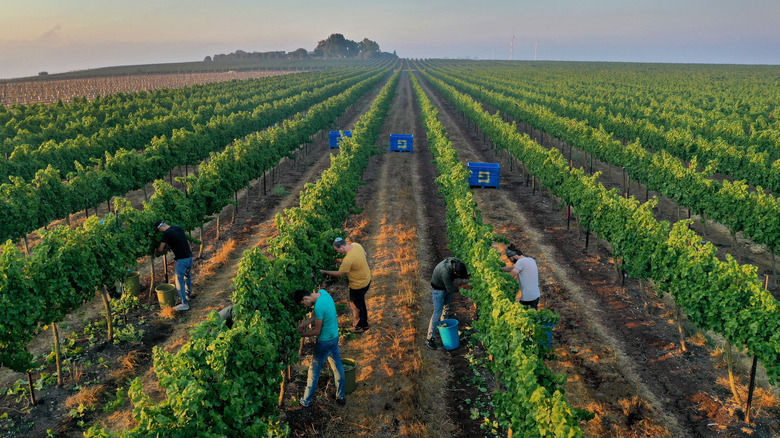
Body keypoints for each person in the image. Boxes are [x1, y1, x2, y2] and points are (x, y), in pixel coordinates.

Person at [294, 289, 346, 407]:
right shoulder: (323, 293)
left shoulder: (318, 306)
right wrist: (303, 324)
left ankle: (306, 401)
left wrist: (301, 334)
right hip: (334, 337)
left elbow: (317, 331)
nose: (305, 306)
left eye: (303, 304)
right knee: (338, 367)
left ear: (305, 299)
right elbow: (317, 317)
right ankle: (341, 396)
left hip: (324, 342)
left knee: (314, 372)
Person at [320, 237, 371, 332]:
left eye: (337, 250)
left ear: (342, 248)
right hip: (367, 279)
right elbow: (365, 254)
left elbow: (339, 274)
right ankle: (365, 324)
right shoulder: (356, 245)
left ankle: (358, 327)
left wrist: (324, 272)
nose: (337, 252)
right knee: (361, 303)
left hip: (358, 286)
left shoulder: (348, 259)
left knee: (356, 306)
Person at [425, 257, 469, 350]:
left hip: (445, 286)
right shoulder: (445, 272)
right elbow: (450, 289)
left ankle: (443, 328)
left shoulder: (456, 262)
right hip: (438, 290)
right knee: (437, 313)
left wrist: (467, 276)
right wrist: (462, 287)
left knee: (446, 308)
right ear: (455, 272)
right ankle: (429, 338)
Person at [155, 220, 193, 311]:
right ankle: (188, 295)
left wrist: (156, 251)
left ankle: (184, 304)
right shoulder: (178, 227)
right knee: (187, 277)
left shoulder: (166, 234)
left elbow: (160, 249)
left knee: (179, 281)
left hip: (182, 260)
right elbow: (178, 241)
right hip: (189, 257)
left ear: (160, 228)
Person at [501, 244, 540, 310]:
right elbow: (513, 268)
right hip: (536, 295)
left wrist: (501, 281)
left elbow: (512, 274)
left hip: (528, 298)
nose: (510, 260)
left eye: (510, 258)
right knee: (533, 316)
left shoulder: (520, 262)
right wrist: (501, 269)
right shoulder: (530, 260)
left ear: (514, 256)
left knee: (521, 316)